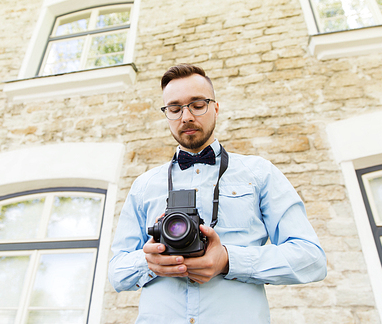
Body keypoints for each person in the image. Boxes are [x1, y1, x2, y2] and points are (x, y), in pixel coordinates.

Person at [108, 64, 327, 323]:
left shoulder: (259, 173)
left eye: (197, 104)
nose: (186, 116)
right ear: (166, 113)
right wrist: (150, 262)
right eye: (175, 108)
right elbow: (117, 272)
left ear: (215, 108)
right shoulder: (143, 185)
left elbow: (311, 259)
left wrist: (228, 260)